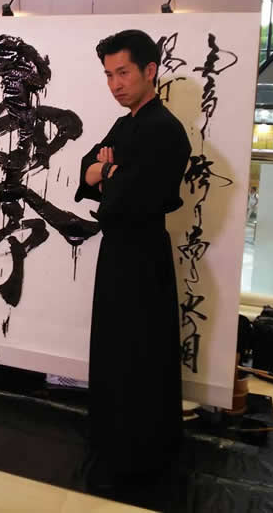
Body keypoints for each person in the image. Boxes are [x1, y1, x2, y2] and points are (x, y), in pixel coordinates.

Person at [74, 29, 191, 491]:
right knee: (114, 349)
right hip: (118, 251)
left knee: (141, 353)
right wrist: (108, 171)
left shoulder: (165, 129)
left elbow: (132, 196)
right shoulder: (125, 125)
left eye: (122, 72)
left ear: (150, 70)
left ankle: (142, 450)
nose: (115, 84)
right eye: (108, 75)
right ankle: (114, 438)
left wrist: (107, 174)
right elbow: (86, 169)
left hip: (143, 256)